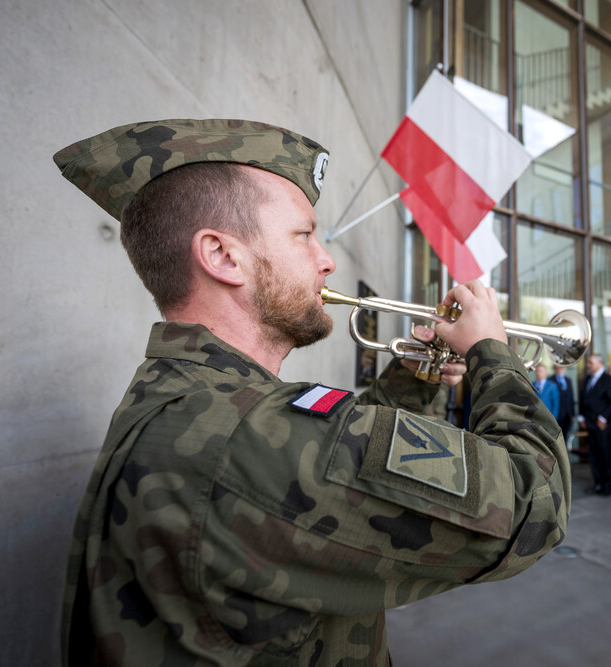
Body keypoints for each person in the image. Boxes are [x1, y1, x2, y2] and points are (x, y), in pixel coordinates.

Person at [53, 118, 571, 665]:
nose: (326, 260)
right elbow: (534, 501)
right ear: (223, 256)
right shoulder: (245, 430)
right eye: (303, 235)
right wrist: (493, 353)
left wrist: (413, 378)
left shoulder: (189, 398)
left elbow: (337, 477)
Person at [579, 354, 611, 496]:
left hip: (604, 427)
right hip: (590, 424)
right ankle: (598, 484)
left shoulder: (608, 380)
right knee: (594, 456)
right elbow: (583, 399)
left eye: (590, 362)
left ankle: (607, 485)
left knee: (605, 455)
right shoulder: (587, 379)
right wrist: (581, 416)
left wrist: (603, 418)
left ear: (600, 363)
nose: (588, 365)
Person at [550, 363, 576, 444]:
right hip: (557, 414)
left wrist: (573, 413)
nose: (559, 369)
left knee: (565, 437)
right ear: (554, 368)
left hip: (567, 415)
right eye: (557, 367)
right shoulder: (550, 380)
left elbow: (571, 397)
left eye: (561, 367)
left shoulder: (568, 380)